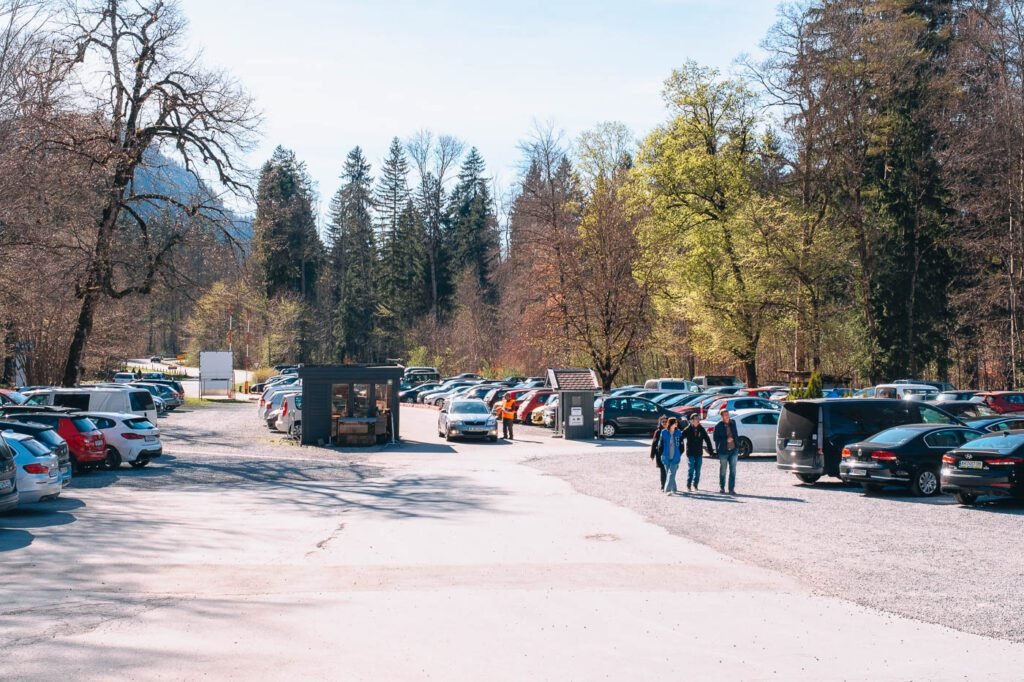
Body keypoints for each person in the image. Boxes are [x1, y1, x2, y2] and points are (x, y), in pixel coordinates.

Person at [681, 412, 714, 491]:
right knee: (691, 468)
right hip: (690, 452)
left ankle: (695, 484)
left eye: (698, 419)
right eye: (696, 419)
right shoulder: (688, 429)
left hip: (699, 452)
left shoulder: (701, 429)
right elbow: (680, 437)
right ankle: (689, 484)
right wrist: (680, 449)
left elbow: (707, 439)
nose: (698, 420)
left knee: (698, 470)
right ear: (692, 421)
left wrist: (710, 451)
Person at [713, 408, 739, 494]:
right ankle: (722, 488)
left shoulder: (733, 423)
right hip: (723, 451)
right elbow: (715, 438)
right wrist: (725, 440)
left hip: (734, 450)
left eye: (728, 415)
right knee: (723, 471)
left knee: (733, 471)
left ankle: (731, 489)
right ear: (722, 416)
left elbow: (736, 434)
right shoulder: (718, 426)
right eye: (725, 415)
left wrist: (737, 444)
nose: (727, 416)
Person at [659, 417, 684, 495]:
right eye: (675, 423)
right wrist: (661, 453)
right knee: (669, 473)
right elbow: (660, 444)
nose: (677, 424)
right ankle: (674, 488)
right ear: (671, 424)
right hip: (666, 456)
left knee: (671, 473)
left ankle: (667, 489)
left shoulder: (678, 432)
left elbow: (682, 445)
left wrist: (679, 453)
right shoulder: (663, 432)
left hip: (675, 456)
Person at [650, 415, 668, 490]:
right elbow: (654, 443)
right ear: (660, 423)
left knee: (669, 470)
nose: (664, 423)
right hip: (660, 454)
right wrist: (652, 455)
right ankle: (663, 485)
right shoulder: (658, 432)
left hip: (668, 454)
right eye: (662, 422)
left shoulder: (670, 430)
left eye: (665, 422)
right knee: (663, 470)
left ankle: (669, 485)